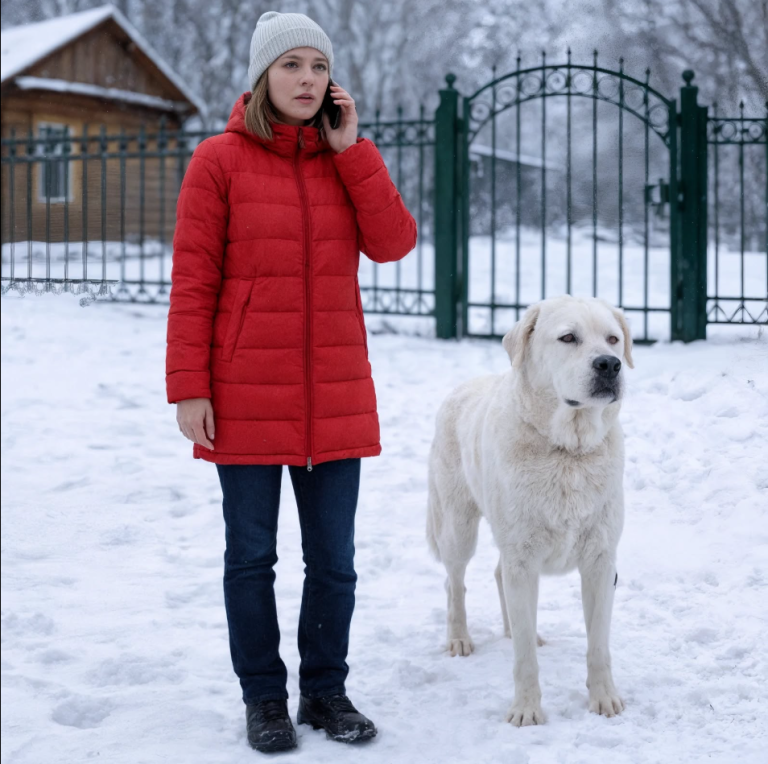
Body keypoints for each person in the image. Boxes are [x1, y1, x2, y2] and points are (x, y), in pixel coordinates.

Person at [165, 10, 416, 754]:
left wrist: (354, 151)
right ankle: (264, 699)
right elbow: (193, 282)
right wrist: (189, 386)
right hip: (242, 394)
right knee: (251, 559)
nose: (307, 79)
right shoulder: (218, 161)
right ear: (261, 77)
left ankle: (325, 691)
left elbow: (394, 243)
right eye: (291, 66)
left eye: (318, 66)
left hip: (334, 394)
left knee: (334, 563)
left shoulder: (345, 159)